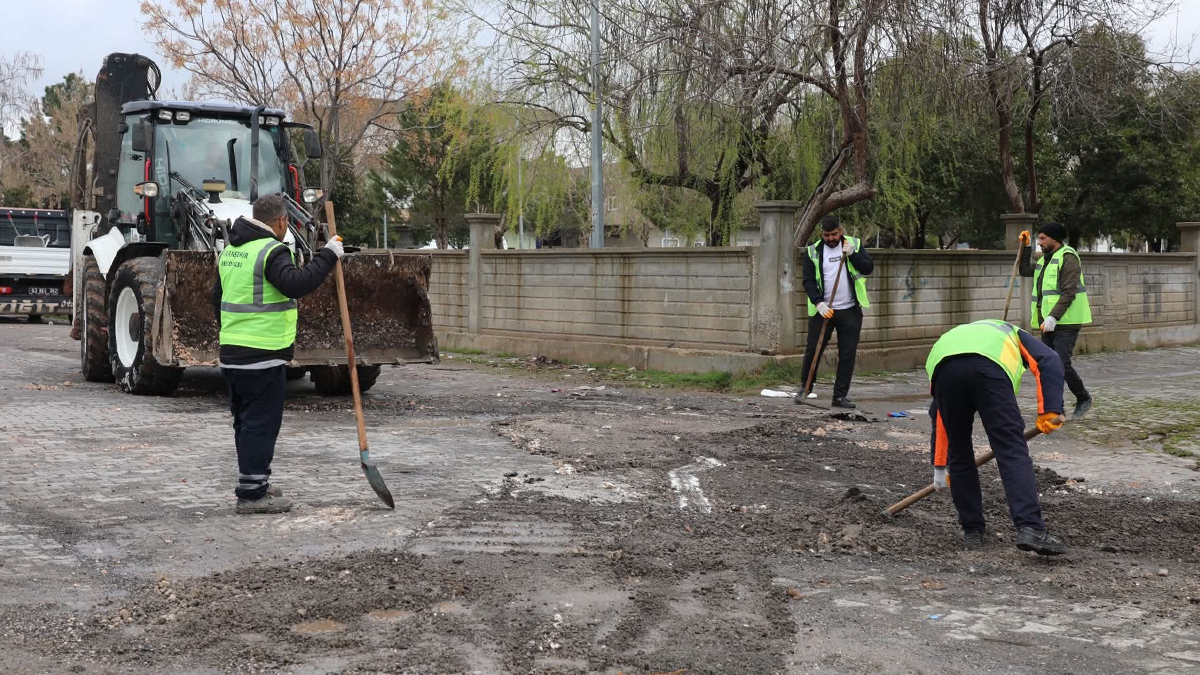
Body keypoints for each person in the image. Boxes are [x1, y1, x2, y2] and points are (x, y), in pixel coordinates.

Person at [211, 194, 344, 514]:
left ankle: (253, 482)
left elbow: (216, 298)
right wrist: (328, 255)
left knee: (245, 422)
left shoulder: (230, 252)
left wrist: (234, 335)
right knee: (261, 423)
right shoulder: (272, 250)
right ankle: (253, 495)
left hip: (232, 353)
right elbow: (296, 284)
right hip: (262, 354)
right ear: (282, 222)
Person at [926, 319, 1068, 555]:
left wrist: (940, 465)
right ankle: (1030, 527)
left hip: (945, 372)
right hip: (989, 372)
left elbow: (938, 414)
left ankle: (972, 531)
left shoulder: (954, 338)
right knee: (1011, 449)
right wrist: (1051, 410)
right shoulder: (1013, 332)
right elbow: (1049, 360)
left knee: (959, 452)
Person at [796, 214, 873, 409]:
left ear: (841, 231)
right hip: (824, 311)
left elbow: (868, 268)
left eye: (834, 234)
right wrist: (818, 302)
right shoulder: (813, 251)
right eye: (826, 235)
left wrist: (853, 254)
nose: (830, 238)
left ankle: (839, 396)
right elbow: (808, 281)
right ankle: (805, 389)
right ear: (821, 233)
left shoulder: (853, 244)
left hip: (849, 310)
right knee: (813, 349)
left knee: (847, 353)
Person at [1019, 223, 1093, 418]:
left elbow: (1070, 291)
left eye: (1042, 239)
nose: (1040, 243)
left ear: (1055, 239)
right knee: (1048, 364)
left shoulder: (1068, 257)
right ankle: (1056, 407)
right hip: (1048, 322)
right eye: (1038, 239)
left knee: (1060, 363)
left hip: (1065, 321)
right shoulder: (1044, 260)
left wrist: (1054, 316)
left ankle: (1083, 397)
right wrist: (1025, 247)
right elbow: (1025, 269)